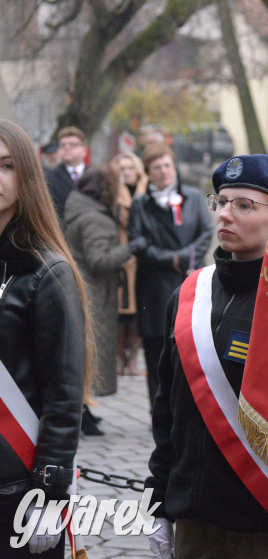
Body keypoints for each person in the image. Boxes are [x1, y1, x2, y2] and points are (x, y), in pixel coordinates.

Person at [146, 154, 268, 559]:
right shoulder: (189, 295)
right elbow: (168, 413)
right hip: (196, 521)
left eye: (244, 205)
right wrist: (157, 502)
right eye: (220, 201)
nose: (225, 214)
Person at [0, 119, 90, 557]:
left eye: (6, 165)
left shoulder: (46, 272)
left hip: (14, 487)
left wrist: (50, 495)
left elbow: (64, 393)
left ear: (27, 178)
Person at [129, 143, 213, 406]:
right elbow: (137, 241)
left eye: (167, 165)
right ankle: (159, 411)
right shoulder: (141, 204)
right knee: (156, 351)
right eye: (157, 167)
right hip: (154, 286)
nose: (164, 171)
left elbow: (205, 232)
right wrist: (170, 259)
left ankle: (187, 409)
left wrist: (185, 257)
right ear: (147, 173)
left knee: (189, 347)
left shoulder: (193, 197)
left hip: (189, 279)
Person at [65, 166, 133, 401]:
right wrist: (131, 248)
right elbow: (99, 260)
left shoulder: (80, 211)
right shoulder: (95, 219)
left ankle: (84, 406)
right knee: (92, 350)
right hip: (96, 293)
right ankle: (85, 406)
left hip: (85, 289)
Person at [113, 151, 147, 376]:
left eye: (130, 168)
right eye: (122, 169)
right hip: (121, 255)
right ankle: (120, 357)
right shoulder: (112, 193)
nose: (126, 172)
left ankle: (133, 358)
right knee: (120, 309)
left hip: (143, 257)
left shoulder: (146, 192)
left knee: (137, 310)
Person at [44, 126, 89, 227]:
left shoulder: (95, 177)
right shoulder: (49, 178)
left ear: (84, 150)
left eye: (72, 145)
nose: (66, 148)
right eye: (63, 145)